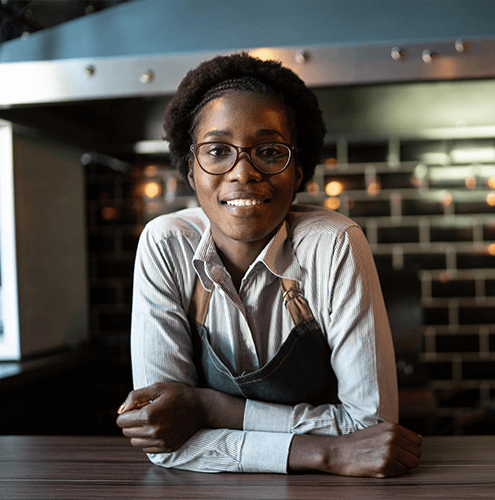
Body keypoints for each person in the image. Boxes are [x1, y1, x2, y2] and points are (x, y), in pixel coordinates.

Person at [116, 52, 422, 477]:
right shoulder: (166, 246)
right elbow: (165, 442)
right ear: (191, 171)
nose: (243, 172)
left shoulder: (334, 244)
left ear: (297, 172)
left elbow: (370, 431)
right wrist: (327, 454)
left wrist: (208, 406)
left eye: (269, 151)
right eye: (218, 150)